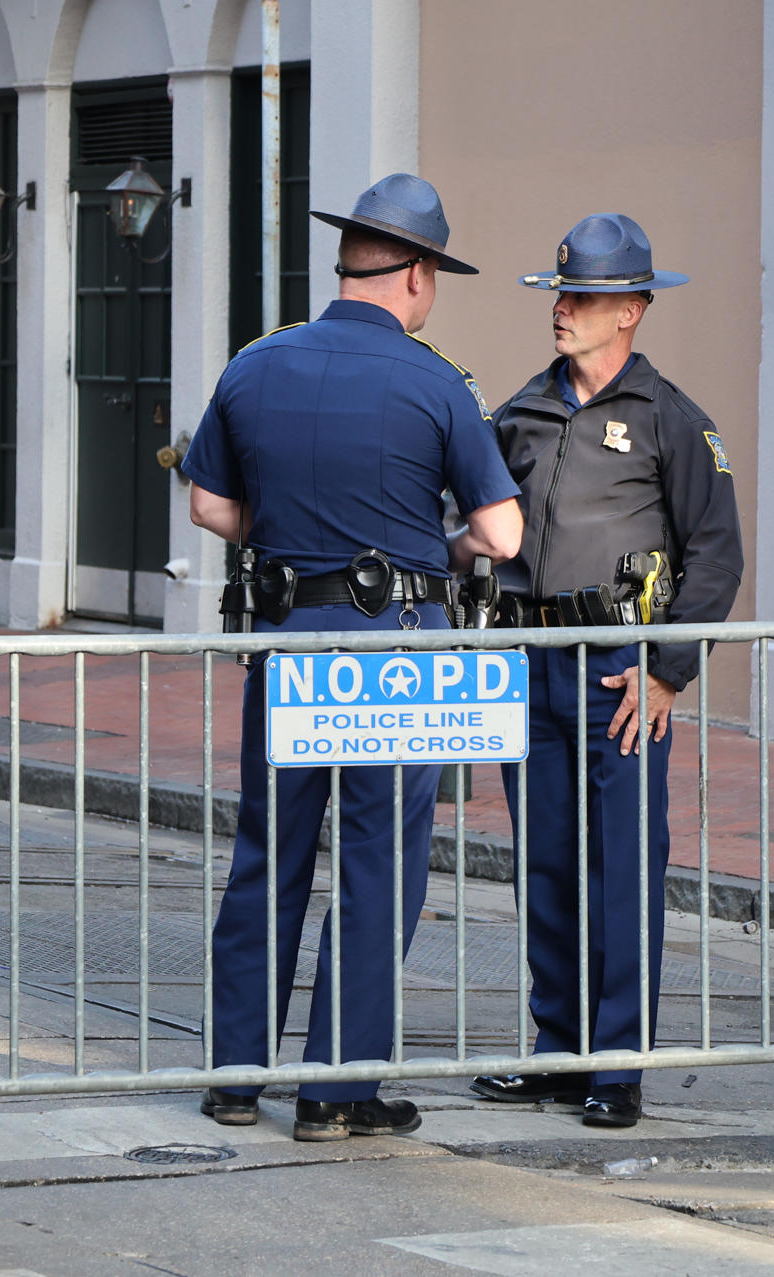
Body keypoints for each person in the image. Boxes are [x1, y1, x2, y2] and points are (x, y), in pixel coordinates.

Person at [184, 174, 523, 1141]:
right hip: (396, 654)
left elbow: (209, 505)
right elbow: (500, 533)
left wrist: (285, 526)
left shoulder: (255, 365)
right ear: (416, 274)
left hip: (290, 642)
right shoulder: (436, 380)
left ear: (348, 266)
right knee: (377, 863)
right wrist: (443, 542)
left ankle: (235, 1076)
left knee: (270, 850)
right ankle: (337, 1091)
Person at [471, 214, 743, 1128]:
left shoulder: (670, 419)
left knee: (621, 864)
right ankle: (559, 1051)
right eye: (559, 294)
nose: (563, 310)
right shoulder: (521, 412)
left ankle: (617, 1064)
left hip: (620, 673)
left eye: (581, 297)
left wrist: (669, 670)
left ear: (630, 309)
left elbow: (716, 555)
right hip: (530, 661)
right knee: (543, 862)